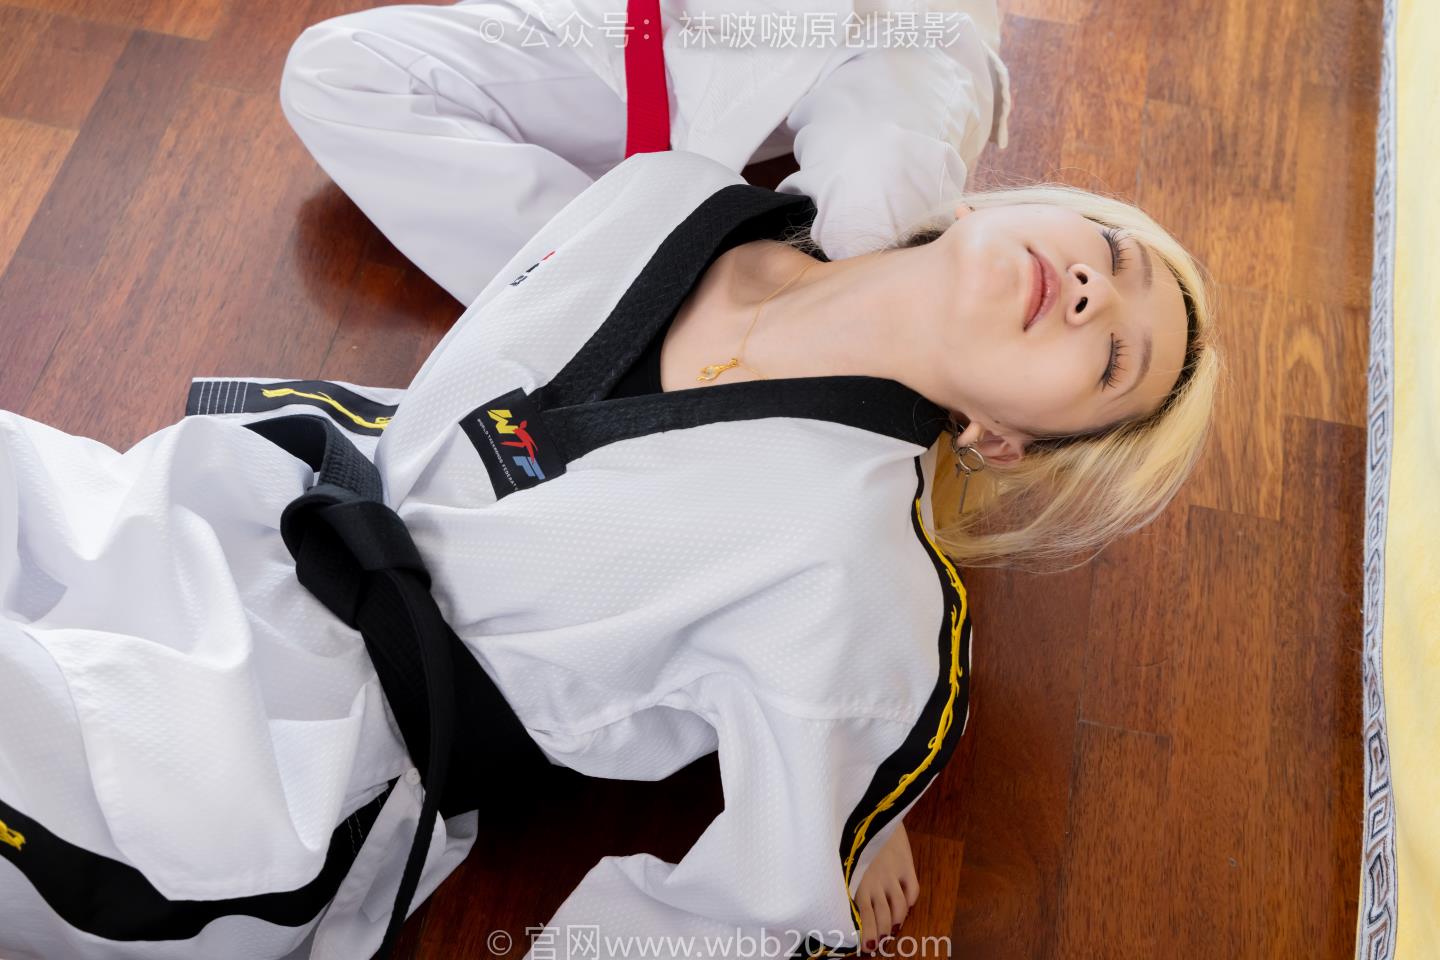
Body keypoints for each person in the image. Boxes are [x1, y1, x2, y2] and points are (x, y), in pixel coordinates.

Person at [0, 148, 1219, 960]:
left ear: (1004, 441)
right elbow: (485, 442)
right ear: (998, 206)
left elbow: (736, 921)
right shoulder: (664, 193)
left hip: (287, 754)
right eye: (1111, 256)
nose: (1089, 294)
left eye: (1110, 357)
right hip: (211, 511)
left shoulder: (859, 583)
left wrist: (852, 790)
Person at [277, 0, 1012, 306]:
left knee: (878, 218)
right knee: (338, 70)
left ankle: (750, 335)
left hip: (872, 31)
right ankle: (609, 298)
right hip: (653, 26)